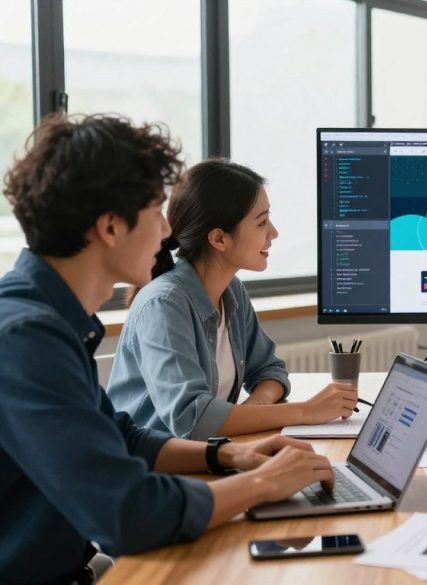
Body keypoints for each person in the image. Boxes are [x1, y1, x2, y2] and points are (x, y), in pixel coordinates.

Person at [0, 114, 336, 584]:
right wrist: (263, 483)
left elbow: (121, 436)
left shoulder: (48, 320)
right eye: (157, 212)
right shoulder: (25, 338)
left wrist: (227, 456)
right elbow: (125, 514)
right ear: (111, 227)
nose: (166, 232)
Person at [105, 159, 357, 440]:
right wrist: (305, 411)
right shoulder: (163, 304)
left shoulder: (230, 290)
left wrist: (252, 409)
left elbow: (269, 370)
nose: (273, 232)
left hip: (208, 456)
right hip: (155, 471)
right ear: (219, 239)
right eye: (262, 222)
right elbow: (192, 419)